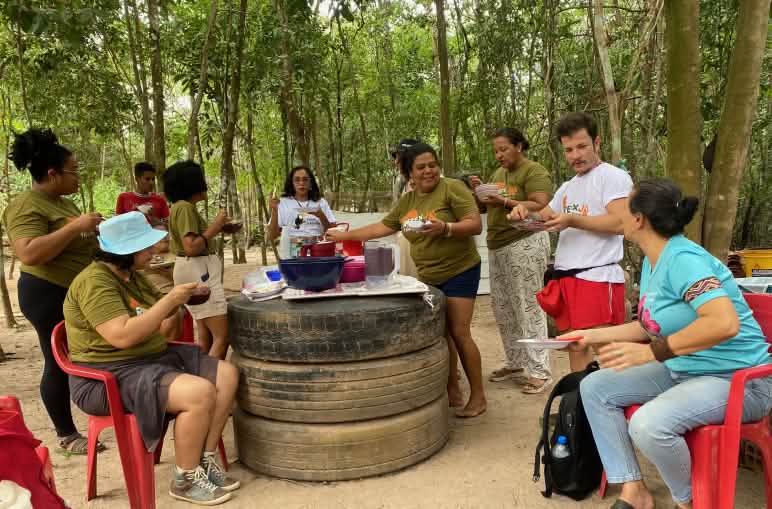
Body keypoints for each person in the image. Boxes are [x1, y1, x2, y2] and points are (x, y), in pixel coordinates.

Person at [570, 178, 772, 509]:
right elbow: (649, 324)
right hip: (685, 368)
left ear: (638, 219)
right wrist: (589, 335)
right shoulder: (653, 260)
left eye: (625, 208)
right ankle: (634, 489)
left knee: (648, 425)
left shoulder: (683, 260)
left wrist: (652, 352)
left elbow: (724, 322)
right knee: (596, 388)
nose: (618, 214)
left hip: (739, 380)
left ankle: (690, 500)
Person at [64, 212, 240, 506]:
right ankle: (184, 479)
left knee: (227, 374)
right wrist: (172, 300)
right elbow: (122, 336)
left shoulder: (131, 275)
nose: (153, 250)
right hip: (104, 376)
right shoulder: (94, 283)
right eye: (145, 247)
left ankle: (203, 459)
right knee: (199, 393)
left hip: (148, 358)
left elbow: (155, 317)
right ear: (124, 252)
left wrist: (184, 298)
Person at [327, 143, 487, 417]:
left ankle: (479, 397)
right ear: (409, 173)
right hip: (428, 274)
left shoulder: (452, 188)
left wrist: (445, 228)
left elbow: (474, 223)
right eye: (421, 167)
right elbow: (383, 226)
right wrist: (346, 236)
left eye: (432, 165)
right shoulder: (408, 201)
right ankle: (452, 388)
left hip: (460, 269)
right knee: (442, 333)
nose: (429, 171)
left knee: (460, 333)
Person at [3, 128, 103, 455]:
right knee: (56, 358)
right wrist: (77, 226)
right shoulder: (26, 206)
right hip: (46, 293)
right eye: (73, 171)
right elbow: (29, 252)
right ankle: (67, 434)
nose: (78, 177)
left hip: (75, 292)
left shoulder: (63, 203)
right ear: (52, 173)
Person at [508, 112, 633, 372]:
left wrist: (574, 220)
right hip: (567, 280)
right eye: (569, 150)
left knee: (607, 351)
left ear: (597, 143)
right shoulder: (568, 187)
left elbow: (622, 224)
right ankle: (579, 406)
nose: (575, 155)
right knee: (576, 347)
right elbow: (546, 216)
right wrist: (522, 212)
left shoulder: (612, 177)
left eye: (581, 146)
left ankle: (615, 405)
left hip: (598, 277)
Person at [469, 128, 554, 394]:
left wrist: (503, 200)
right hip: (497, 245)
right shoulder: (498, 174)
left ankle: (540, 371)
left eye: (504, 149)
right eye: (496, 150)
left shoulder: (534, 171)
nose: (499, 154)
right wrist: (479, 193)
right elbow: (487, 207)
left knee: (528, 305)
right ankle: (516, 362)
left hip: (524, 242)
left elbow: (540, 204)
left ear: (519, 146)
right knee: (504, 308)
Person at [163, 160, 230, 359]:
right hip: (199, 270)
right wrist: (215, 227)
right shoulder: (184, 208)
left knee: (205, 335)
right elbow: (191, 247)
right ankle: (212, 384)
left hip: (191, 269)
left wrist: (216, 229)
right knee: (222, 336)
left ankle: (201, 377)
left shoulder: (179, 207)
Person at [267, 165, 336, 255]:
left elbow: (333, 233)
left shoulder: (321, 202)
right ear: (291, 183)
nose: (301, 183)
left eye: (305, 179)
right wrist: (275, 210)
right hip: (292, 250)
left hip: (318, 250)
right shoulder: (283, 203)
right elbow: (272, 236)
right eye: (297, 179)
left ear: (310, 182)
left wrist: (321, 215)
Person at [391, 138, 421, 278]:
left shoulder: (430, 181)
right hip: (405, 247)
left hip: (420, 249)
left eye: (399, 157)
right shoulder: (404, 182)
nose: (396, 162)